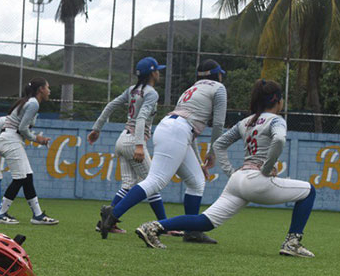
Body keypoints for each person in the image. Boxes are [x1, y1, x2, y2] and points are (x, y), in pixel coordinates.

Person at [135, 79, 316, 257]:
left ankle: (153, 227)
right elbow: (279, 139)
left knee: (204, 221)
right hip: (257, 180)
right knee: (309, 191)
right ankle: (292, 243)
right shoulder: (277, 120)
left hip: (238, 180)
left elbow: (220, 144)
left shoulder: (246, 122)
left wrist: (230, 172)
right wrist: (267, 168)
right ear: (277, 99)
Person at [100, 59, 229, 244]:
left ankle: (192, 232)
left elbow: (188, 130)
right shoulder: (218, 88)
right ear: (217, 74)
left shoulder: (192, 89)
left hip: (171, 128)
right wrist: (213, 151)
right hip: (178, 131)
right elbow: (218, 124)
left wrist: (200, 160)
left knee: (196, 181)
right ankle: (113, 214)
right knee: (155, 181)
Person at [88, 57, 169, 234]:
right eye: (158, 70)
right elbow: (140, 119)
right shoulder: (151, 93)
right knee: (152, 183)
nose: (159, 73)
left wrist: (97, 128)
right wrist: (139, 145)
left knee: (129, 183)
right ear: (152, 73)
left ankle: (106, 222)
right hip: (133, 141)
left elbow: (110, 106)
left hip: (122, 139)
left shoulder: (132, 90)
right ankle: (164, 225)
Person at [0, 78, 58, 225]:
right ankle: (0, 213)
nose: (49, 90)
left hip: (11, 138)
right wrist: (37, 139)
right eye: (48, 87)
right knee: (20, 177)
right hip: (11, 138)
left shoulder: (29, 102)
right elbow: (22, 128)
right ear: (40, 89)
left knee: (27, 176)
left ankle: (38, 215)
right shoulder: (33, 103)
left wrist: (35, 138)